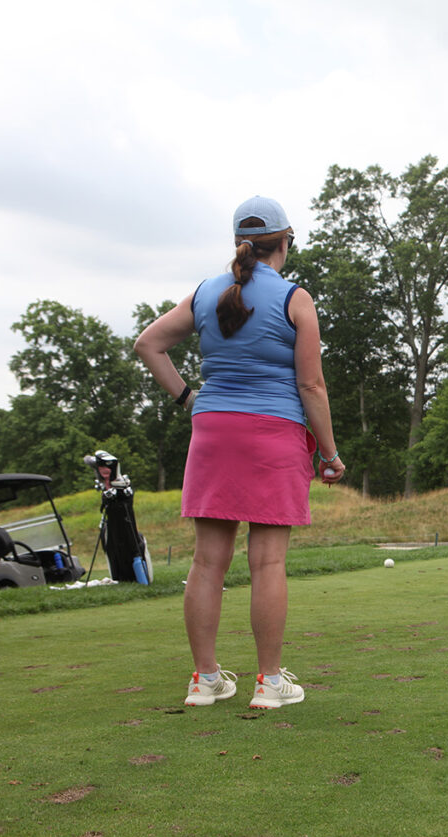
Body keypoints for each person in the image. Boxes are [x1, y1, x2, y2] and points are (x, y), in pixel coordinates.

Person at [135, 196, 345, 710]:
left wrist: (190, 400)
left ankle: (205, 681)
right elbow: (312, 386)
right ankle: (269, 684)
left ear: (240, 244)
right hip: (273, 433)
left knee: (208, 562)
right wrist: (329, 454)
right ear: (286, 240)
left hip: (213, 431)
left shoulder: (206, 292)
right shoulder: (296, 298)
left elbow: (148, 344)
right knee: (267, 560)